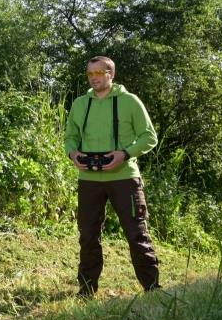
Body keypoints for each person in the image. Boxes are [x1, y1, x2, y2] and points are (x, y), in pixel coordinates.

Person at [64, 56, 161, 296]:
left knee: (136, 233)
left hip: (125, 177)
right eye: (90, 74)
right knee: (88, 236)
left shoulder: (130, 101)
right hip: (89, 179)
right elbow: (70, 137)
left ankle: (152, 289)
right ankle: (86, 290)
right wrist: (73, 154)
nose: (94, 78)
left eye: (99, 73)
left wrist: (124, 154)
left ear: (111, 74)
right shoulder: (80, 104)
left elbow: (149, 137)